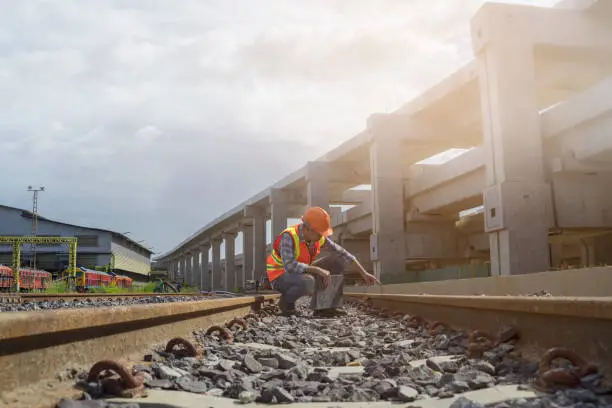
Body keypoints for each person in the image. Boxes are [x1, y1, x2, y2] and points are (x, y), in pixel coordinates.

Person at [266, 206, 379, 317]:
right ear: (308, 228)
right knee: (308, 282)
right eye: (320, 233)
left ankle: (325, 307)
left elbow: (343, 253)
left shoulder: (317, 238)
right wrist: (318, 270)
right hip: (279, 276)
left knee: (336, 260)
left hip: (301, 271)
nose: (322, 236)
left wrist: (363, 272)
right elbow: (289, 265)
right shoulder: (289, 236)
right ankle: (286, 304)